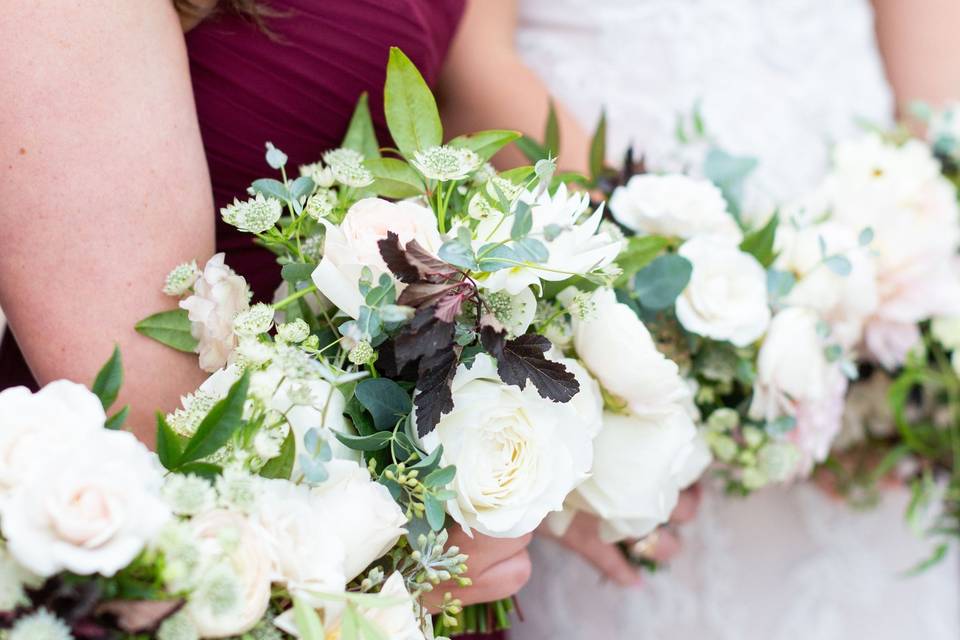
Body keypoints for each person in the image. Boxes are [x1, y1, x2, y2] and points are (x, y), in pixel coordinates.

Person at [440, 1, 960, 638]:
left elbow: (935, 80)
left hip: (866, 312)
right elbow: (472, 65)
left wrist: (924, 287)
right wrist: (668, 300)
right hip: (602, 283)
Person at [0, 0, 532, 612]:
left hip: (406, 500)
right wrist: (393, 570)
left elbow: (487, 78)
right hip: (259, 551)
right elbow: (171, 436)